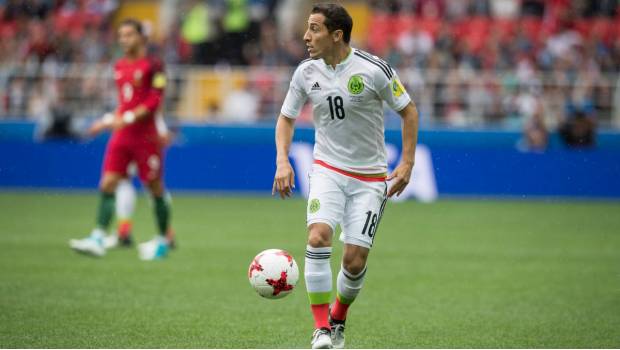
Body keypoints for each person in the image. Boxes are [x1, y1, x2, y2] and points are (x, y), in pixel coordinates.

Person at [272, 4, 419, 349]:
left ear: (337, 35)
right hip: (327, 169)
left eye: (314, 29)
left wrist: (408, 162)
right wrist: (282, 160)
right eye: (307, 29)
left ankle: (338, 318)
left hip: (370, 178)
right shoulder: (305, 73)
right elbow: (286, 118)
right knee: (318, 237)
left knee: (354, 261)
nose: (306, 37)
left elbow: (409, 111)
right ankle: (321, 328)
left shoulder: (373, 70)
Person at [69, 19, 173, 261]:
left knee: (155, 188)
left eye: (129, 35)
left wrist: (125, 118)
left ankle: (162, 241)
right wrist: (106, 121)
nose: (123, 40)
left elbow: (154, 101)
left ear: (141, 38)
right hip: (122, 136)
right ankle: (97, 238)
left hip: (146, 137)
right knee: (107, 183)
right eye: (121, 35)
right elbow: (125, 103)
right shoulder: (119, 66)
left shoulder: (155, 66)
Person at [103, 113, 176, 249]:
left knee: (152, 186)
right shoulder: (137, 98)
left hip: (143, 141)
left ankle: (165, 233)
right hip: (136, 139)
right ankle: (125, 231)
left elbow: (151, 111)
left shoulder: (146, 97)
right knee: (135, 182)